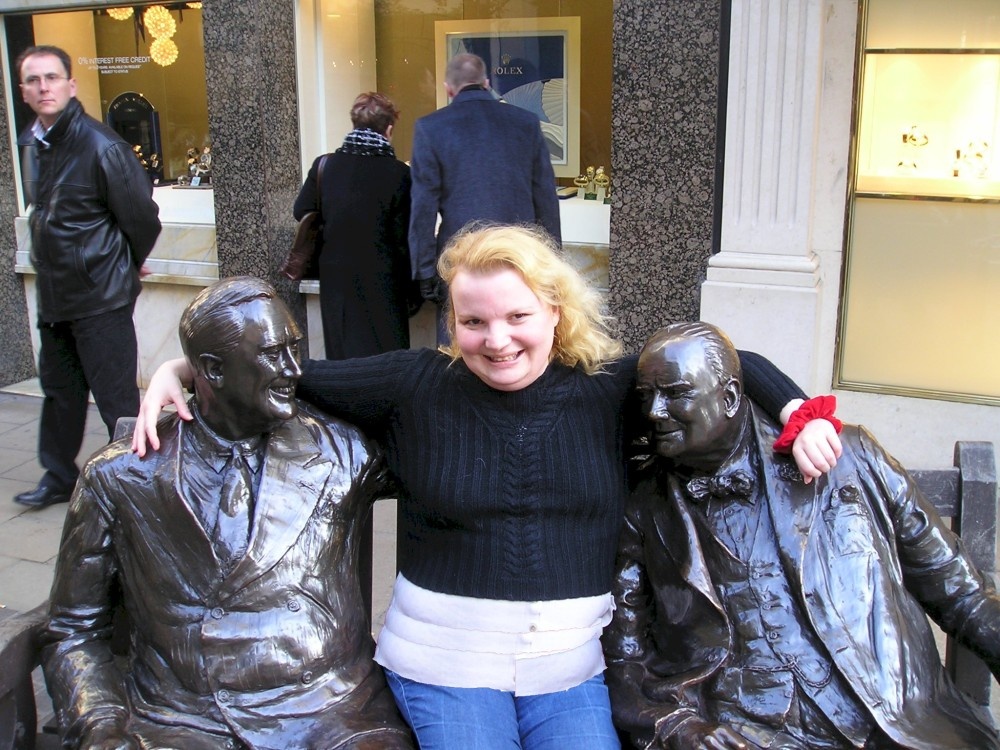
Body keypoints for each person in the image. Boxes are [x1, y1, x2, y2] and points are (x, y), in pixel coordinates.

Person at [133, 225, 839, 749]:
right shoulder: (417, 384)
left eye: (517, 317)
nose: (496, 340)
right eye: (473, 322)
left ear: (555, 312)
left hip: (569, 674)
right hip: (444, 667)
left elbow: (733, 359)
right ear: (452, 322)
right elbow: (277, 372)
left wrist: (797, 413)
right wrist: (176, 372)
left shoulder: (609, 388)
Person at [43, 277, 414, 750]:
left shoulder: (345, 452)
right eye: (272, 354)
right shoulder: (120, 477)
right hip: (180, 722)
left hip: (333, 715)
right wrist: (100, 726)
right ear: (213, 371)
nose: (294, 370)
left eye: (294, 348)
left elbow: (447, 423)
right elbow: (73, 630)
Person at [603, 321, 1000, 750]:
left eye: (675, 393)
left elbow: (962, 594)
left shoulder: (849, 459)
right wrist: (678, 726)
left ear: (731, 398)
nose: (655, 413)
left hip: (893, 724)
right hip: (744, 733)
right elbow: (626, 657)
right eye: (647, 397)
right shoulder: (643, 508)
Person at [13, 44, 161, 509]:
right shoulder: (32, 144)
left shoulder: (102, 146)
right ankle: (58, 477)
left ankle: (139, 482)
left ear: (70, 85)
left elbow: (142, 217)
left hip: (100, 296)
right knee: (59, 395)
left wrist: (127, 261)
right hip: (56, 295)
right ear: (23, 90)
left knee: (116, 398)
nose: (44, 87)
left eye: (52, 78)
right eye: (34, 80)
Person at [409, 53, 562, 341]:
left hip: (460, 256)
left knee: (459, 343)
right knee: (519, 339)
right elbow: (545, 198)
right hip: (519, 254)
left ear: (448, 88)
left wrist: (424, 269)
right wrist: (553, 260)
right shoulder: (525, 122)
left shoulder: (431, 128)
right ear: (486, 83)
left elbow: (423, 207)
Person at [293, 91, 415, 359]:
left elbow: (301, 210)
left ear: (354, 125)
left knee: (342, 354)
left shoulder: (325, 165)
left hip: (336, 276)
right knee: (385, 356)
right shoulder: (399, 174)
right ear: (389, 129)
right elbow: (403, 236)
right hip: (384, 279)